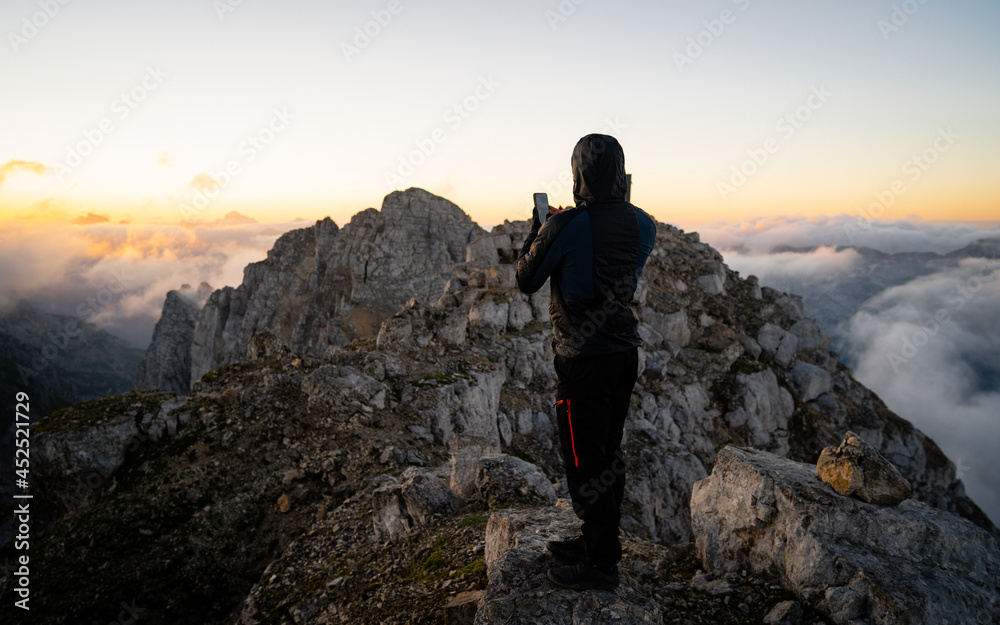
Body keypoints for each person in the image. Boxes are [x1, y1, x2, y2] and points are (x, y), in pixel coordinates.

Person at [515, 134, 656, 591]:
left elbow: (526, 279)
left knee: (584, 461)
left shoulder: (567, 225)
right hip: (623, 355)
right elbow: (611, 264)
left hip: (583, 361)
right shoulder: (645, 224)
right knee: (608, 455)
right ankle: (596, 540)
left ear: (578, 174)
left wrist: (542, 230)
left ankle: (601, 564)